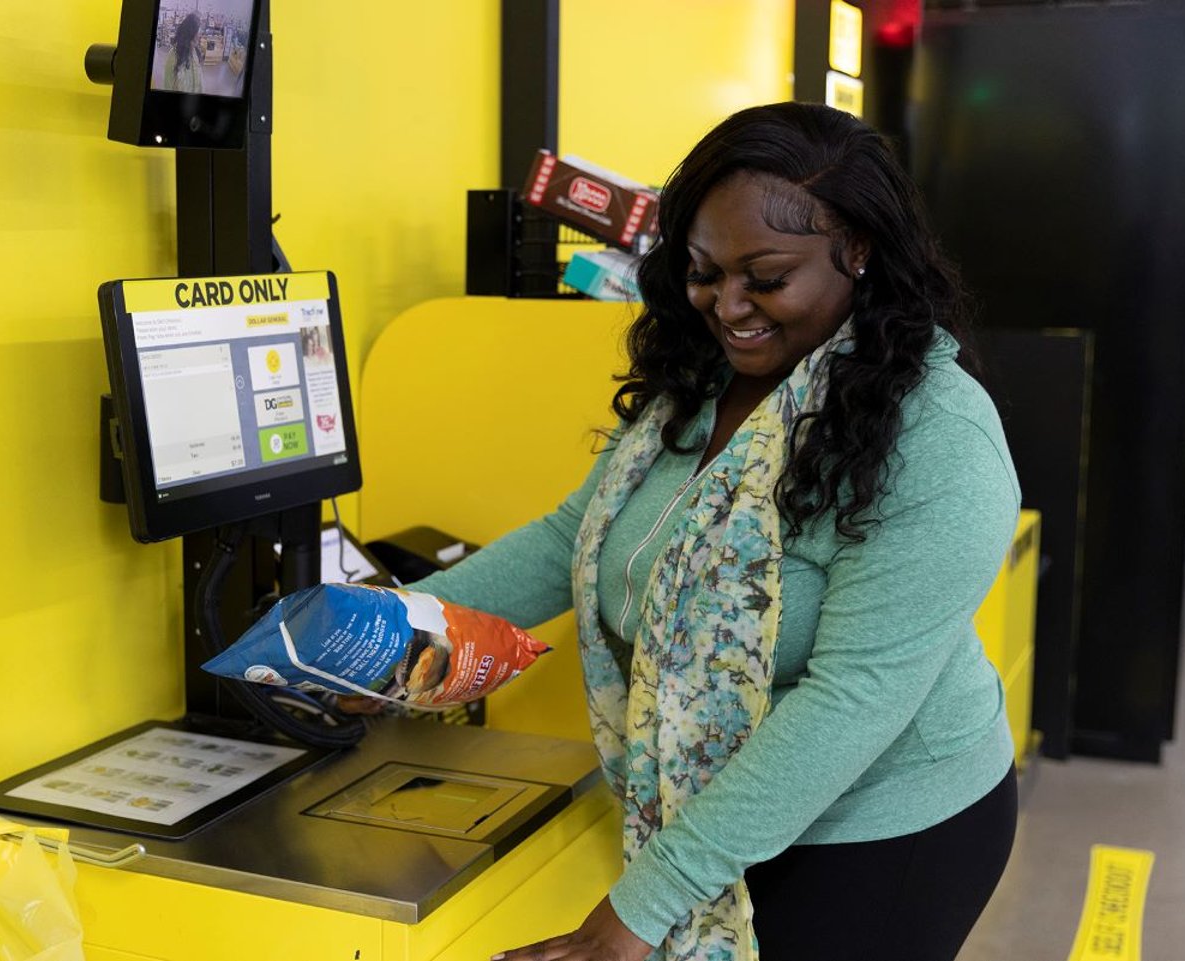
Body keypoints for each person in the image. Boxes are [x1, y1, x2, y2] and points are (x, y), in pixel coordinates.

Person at [403, 102, 1019, 960]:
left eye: (764, 277)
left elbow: (851, 703)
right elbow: (572, 539)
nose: (727, 306)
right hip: (722, 810)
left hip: (881, 828)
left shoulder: (938, 436)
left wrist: (639, 908)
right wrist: (390, 624)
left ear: (860, 251)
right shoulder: (703, 380)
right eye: (702, 270)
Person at [161, 14, 202, 95]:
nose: (199, 35)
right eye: (198, 32)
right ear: (191, 33)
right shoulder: (173, 56)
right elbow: (168, 85)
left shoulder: (195, 52)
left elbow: (199, 81)